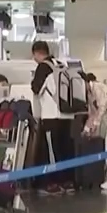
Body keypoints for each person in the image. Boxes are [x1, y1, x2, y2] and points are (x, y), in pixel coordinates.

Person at [31, 41, 74, 194]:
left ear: (36, 53)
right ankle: (68, 182)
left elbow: (36, 89)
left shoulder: (43, 67)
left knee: (51, 150)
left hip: (51, 116)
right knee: (65, 149)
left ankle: (53, 183)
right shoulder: (62, 65)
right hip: (67, 115)